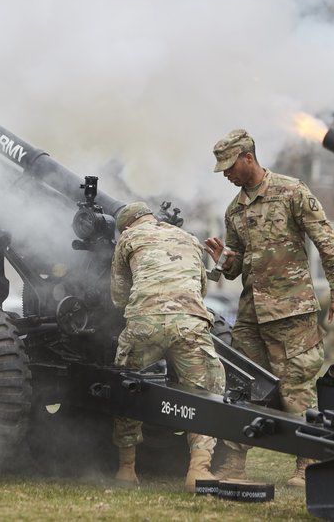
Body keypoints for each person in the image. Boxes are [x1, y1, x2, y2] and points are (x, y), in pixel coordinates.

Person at [204, 129, 334, 488]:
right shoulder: (234, 209)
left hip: (291, 311)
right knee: (239, 385)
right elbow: (237, 266)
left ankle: (307, 464)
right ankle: (233, 465)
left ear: (248, 158)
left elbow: (326, 240)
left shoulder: (292, 192)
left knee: (296, 387)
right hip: (252, 314)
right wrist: (224, 259)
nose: (226, 173)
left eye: (229, 166)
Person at [110, 201, 225, 492]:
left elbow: (119, 294)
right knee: (205, 393)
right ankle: (198, 471)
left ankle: (126, 469)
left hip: (143, 322)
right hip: (189, 322)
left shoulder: (128, 238)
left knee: (128, 387)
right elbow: (201, 288)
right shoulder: (188, 238)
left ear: (126, 225)